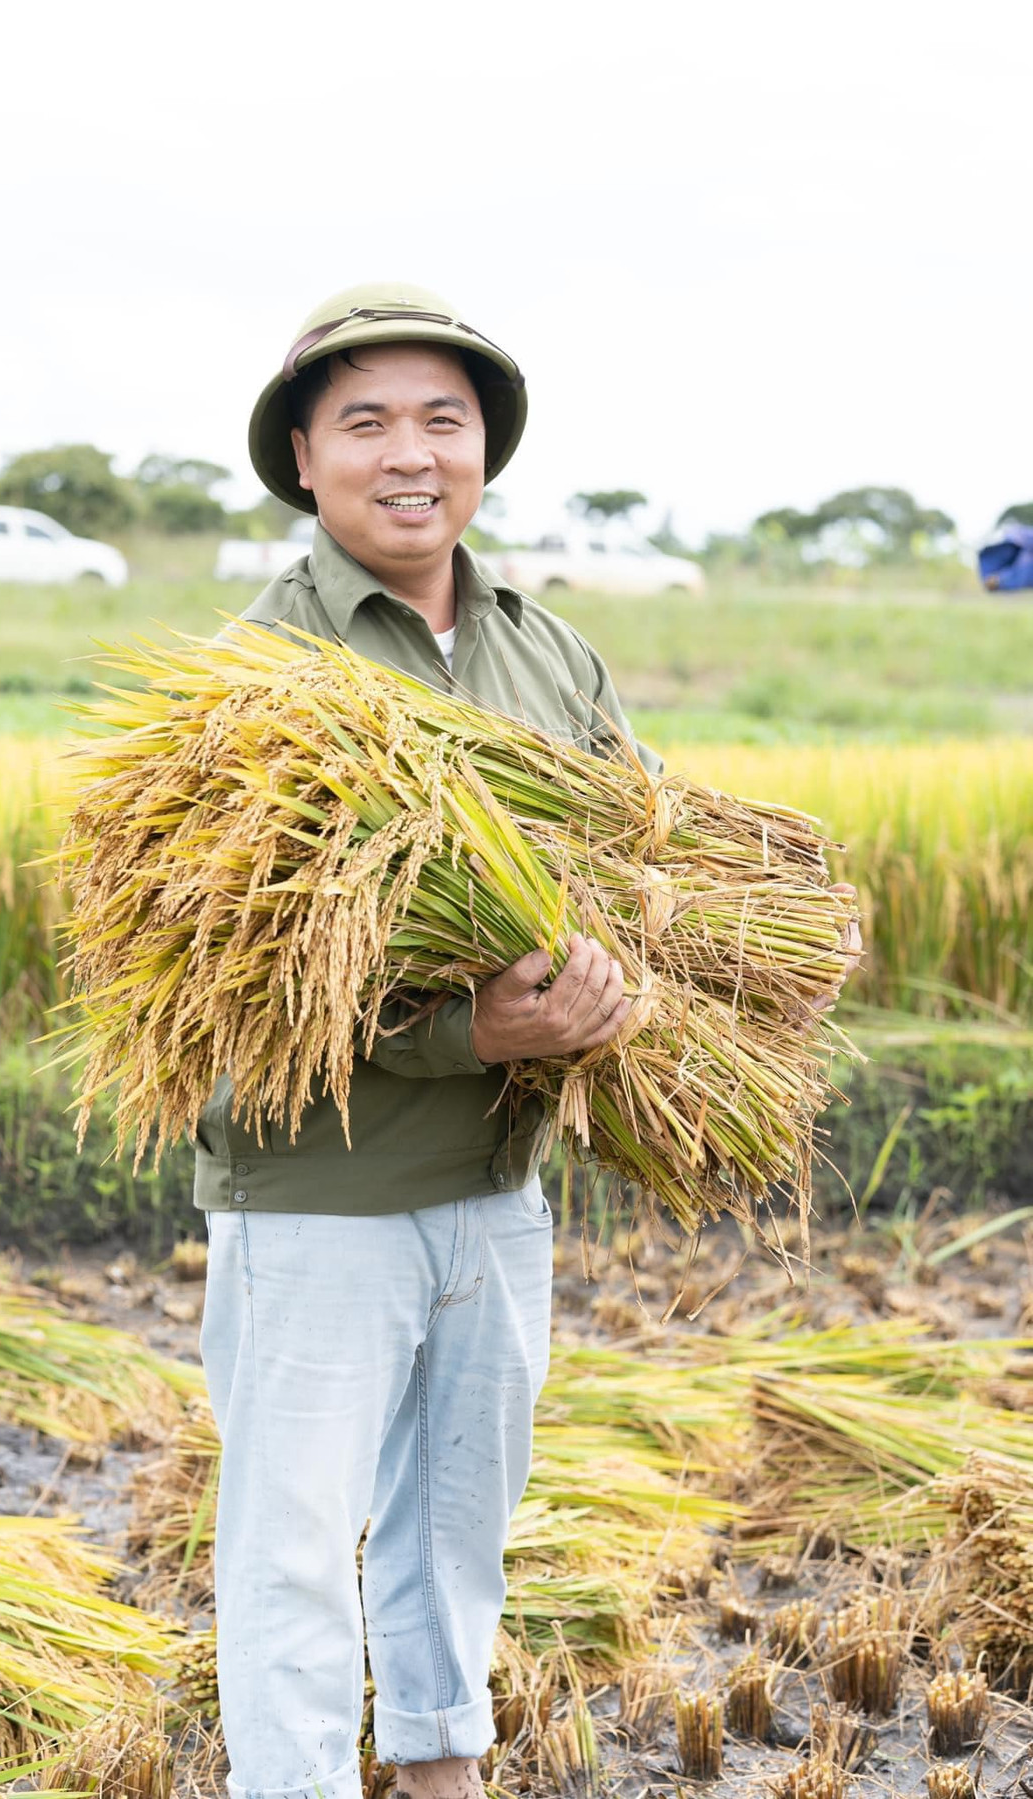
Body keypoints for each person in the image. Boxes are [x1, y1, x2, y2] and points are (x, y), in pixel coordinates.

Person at [196, 282, 860, 1799]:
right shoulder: (257, 682)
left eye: (446, 419)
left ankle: (441, 1771)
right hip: (321, 1197)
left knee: (456, 1519)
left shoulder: (543, 648)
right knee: (294, 1544)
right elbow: (243, 987)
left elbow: (656, 856)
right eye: (365, 421)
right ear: (303, 458)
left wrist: (769, 949)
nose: (410, 453)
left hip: (499, 1187)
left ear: (485, 450)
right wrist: (467, 1033)